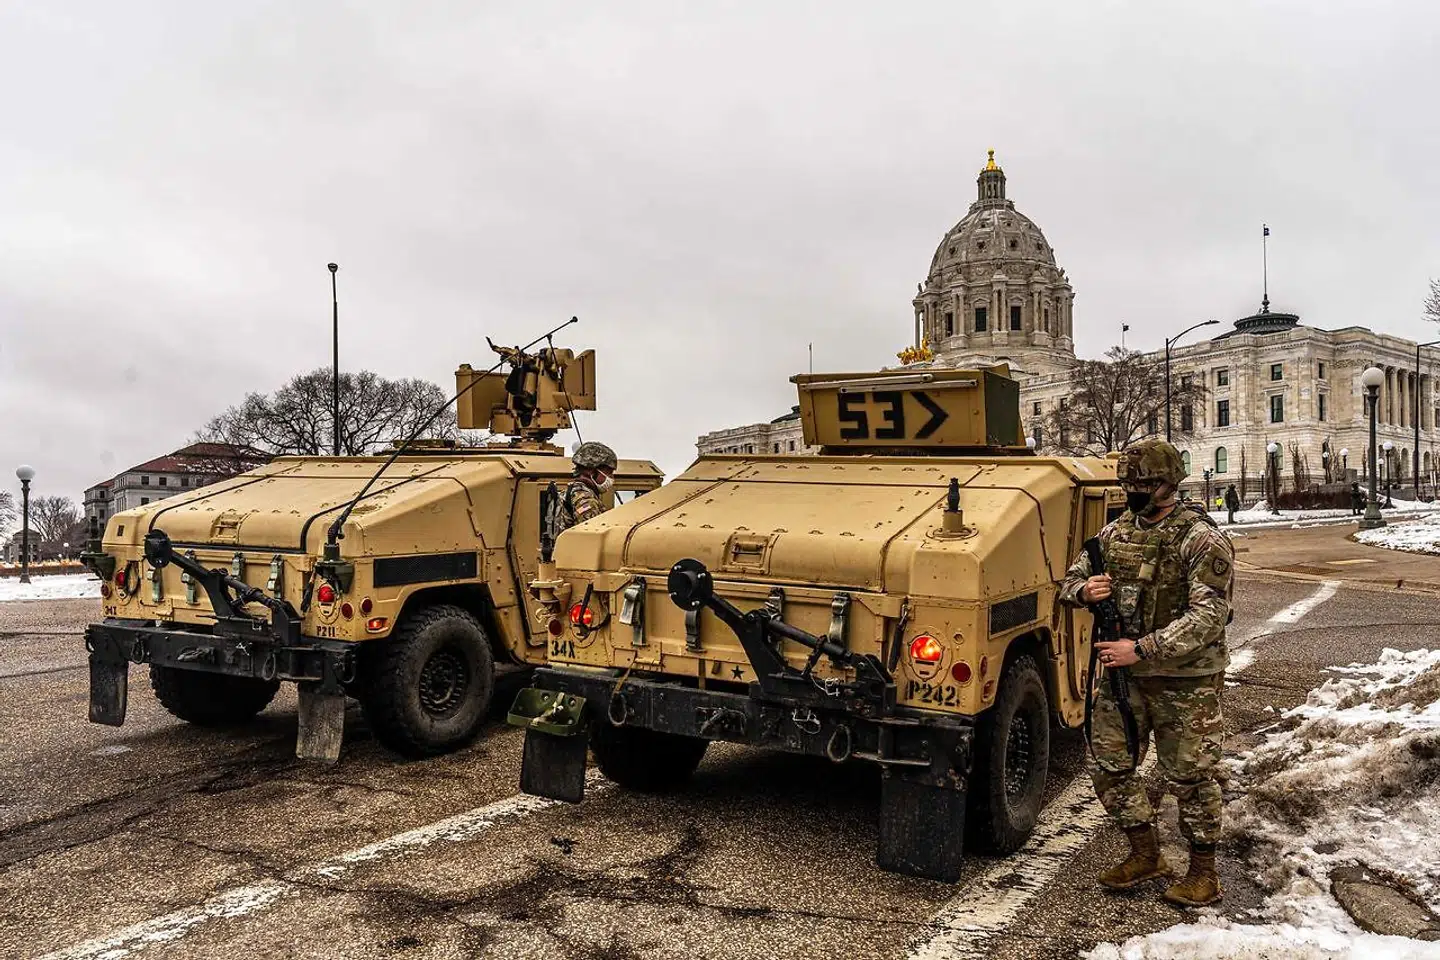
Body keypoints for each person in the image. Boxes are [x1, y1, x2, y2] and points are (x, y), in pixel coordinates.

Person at [1059, 439, 1234, 907]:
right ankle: (1145, 853)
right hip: (1125, 678)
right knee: (1108, 765)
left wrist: (1142, 649)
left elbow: (1210, 616)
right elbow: (1068, 582)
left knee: (1192, 777)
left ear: (1167, 484)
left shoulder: (1200, 538)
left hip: (1185, 680)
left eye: (1142, 485)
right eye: (1128, 484)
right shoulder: (1116, 535)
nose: (1133, 492)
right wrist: (1085, 591)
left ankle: (1203, 872)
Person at [555, 441, 618, 535]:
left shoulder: (571, 491)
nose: (611, 478)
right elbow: (593, 536)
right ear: (592, 472)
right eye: (608, 473)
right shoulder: (585, 499)